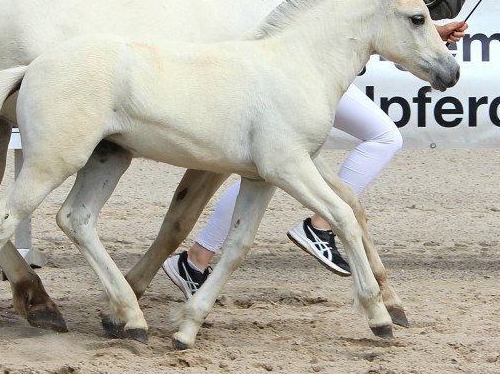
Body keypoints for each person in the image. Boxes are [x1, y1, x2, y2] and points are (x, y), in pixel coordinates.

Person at [163, 21, 468, 299]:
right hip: (303, 73)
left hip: (304, 69)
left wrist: (430, 34)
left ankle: (195, 261)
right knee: (379, 138)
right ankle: (318, 226)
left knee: (268, 169)